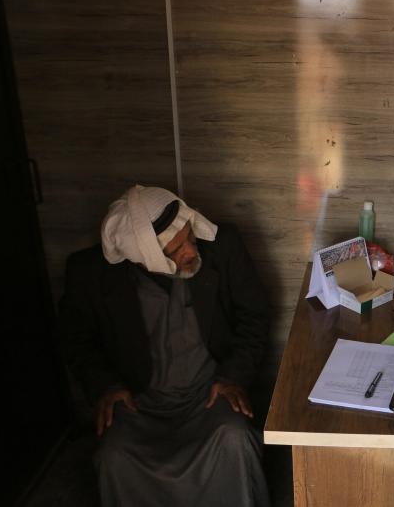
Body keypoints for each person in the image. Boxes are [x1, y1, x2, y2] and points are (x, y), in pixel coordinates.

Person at [60, 185, 270, 507]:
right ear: (144, 258)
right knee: (115, 456)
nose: (190, 251)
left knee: (234, 438)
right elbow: (77, 340)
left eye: (189, 236)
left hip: (209, 393)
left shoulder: (222, 246)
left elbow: (254, 316)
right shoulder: (89, 274)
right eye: (175, 250)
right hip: (139, 401)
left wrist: (233, 377)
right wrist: (105, 386)